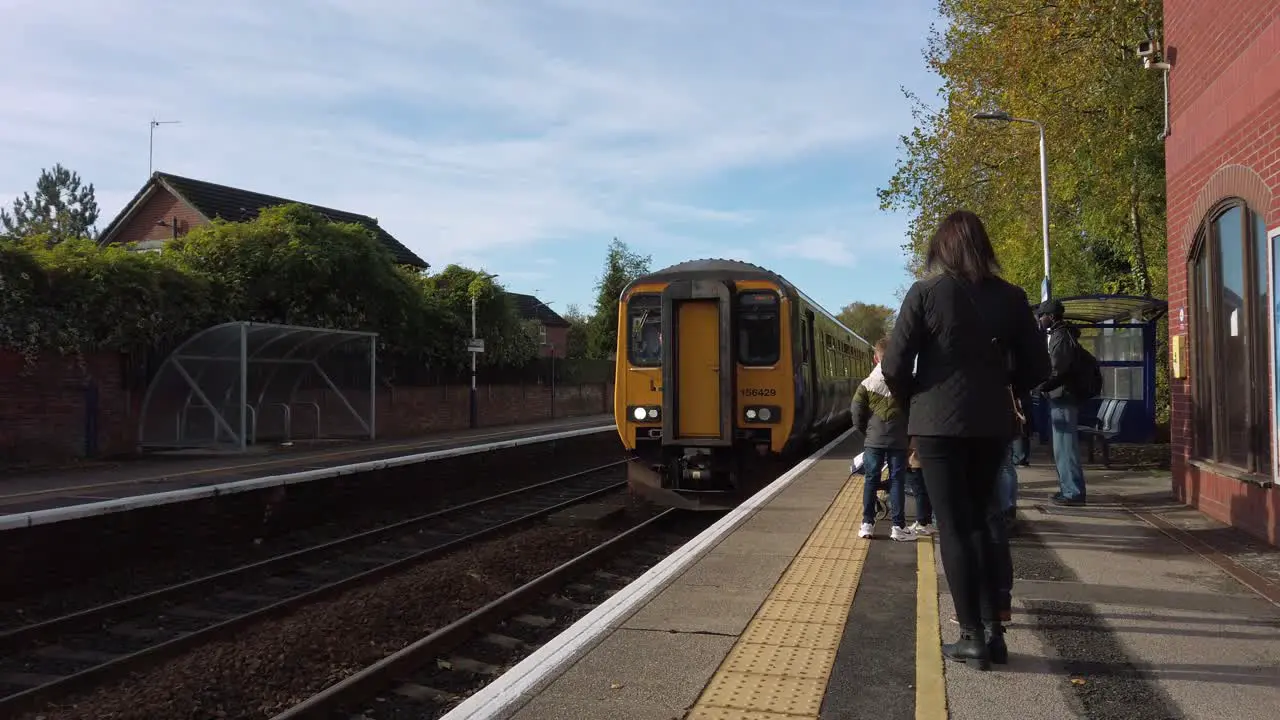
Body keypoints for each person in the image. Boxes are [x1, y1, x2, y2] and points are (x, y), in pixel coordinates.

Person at [881, 210, 1050, 671]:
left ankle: (971, 636)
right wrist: (999, 379)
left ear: (942, 249)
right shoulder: (1013, 298)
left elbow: (894, 367)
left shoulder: (925, 293)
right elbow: (1039, 370)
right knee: (983, 520)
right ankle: (995, 632)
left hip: (938, 427)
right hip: (992, 425)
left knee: (954, 529)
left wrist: (917, 399)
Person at [852, 338, 915, 541]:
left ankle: (867, 524)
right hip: (899, 440)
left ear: (875, 358)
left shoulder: (866, 384)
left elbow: (856, 414)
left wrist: (867, 432)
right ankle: (898, 527)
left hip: (874, 441)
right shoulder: (908, 383)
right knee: (897, 480)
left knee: (871, 479)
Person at [1035, 299, 1087, 506]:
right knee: (1061, 447)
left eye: (1043, 315)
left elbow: (1059, 370)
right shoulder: (1061, 335)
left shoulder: (1061, 337)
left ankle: (1073, 492)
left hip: (1062, 396)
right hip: (1060, 396)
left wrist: (1040, 387)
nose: (1040, 319)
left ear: (1052, 316)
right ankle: (1067, 488)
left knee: (1066, 447)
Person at [906, 441, 935, 535]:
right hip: (928, 463)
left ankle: (921, 522)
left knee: (919, 493)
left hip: (914, 462)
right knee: (926, 493)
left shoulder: (913, 428)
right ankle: (928, 522)